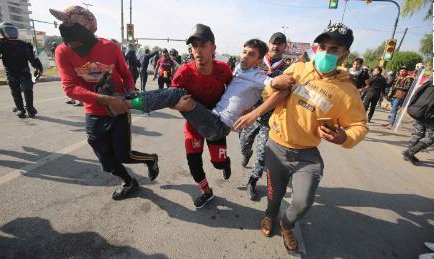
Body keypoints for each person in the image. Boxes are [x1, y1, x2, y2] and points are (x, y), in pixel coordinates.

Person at [234, 22, 368, 253]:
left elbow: (359, 125)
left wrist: (343, 137)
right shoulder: (297, 69)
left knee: (302, 202)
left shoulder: (348, 91)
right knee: (274, 196)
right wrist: (274, 84)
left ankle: (286, 225)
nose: (326, 52)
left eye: (334, 49)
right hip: (276, 147)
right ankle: (270, 215)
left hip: (307, 154)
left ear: (344, 55)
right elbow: (269, 93)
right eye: (323, 46)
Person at [127, 37, 293, 207]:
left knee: (218, 162)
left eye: (251, 55)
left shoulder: (250, 75)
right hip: (203, 119)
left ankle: (130, 102)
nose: (244, 57)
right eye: (243, 52)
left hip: (216, 124)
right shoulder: (228, 70)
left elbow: (274, 85)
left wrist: (265, 95)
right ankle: (206, 192)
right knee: (193, 161)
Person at [50, 5, 159, 200]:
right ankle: (128, 181)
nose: (72, 46)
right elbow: (69, 87)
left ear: (89, 33)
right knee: (107, 162)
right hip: (93, 112)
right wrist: (102, 99)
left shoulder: (110, 47)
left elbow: (126, 74)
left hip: (118, 110)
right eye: (69, 41)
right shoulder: (62, 51)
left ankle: (150, 159)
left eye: (76, 41)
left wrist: (129, 94)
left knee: (124, 155)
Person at [239, 32, 290, 201]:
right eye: (273, 43)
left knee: (262, 155)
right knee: (243, 144)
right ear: (269, 44)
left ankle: (252, 182)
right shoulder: (256, 62)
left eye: (280, 43)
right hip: (250, 114)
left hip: (271, 119)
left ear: (285, 47)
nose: (276, 46)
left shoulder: (287, 69)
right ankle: (246, 153)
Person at [0, 22, 43, 118]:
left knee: (22, 90)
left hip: (18, 71)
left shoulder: (4, 44)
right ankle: (24, 109)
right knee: (23, 90)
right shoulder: (2, 44)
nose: (12, 32)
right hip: (17, 71)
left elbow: (33, 57)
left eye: (12, 30)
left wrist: (38, 67)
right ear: (3, 32)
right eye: (9, 30)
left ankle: (24, 109)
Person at [403, 79, 434, 165]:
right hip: (431, 113)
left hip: (419, 110)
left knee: (419, 132)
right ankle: (410, 152)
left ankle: (410, 152)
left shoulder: (433, 81)